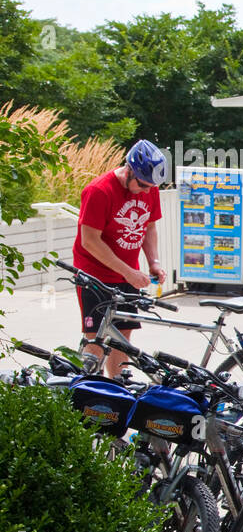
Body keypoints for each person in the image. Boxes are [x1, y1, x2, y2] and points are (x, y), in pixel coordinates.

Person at [72, 139, 168, 377]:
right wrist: (127, 271)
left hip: (128, 273)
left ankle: (118, 389)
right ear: (129, 171)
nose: (147, 191)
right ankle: (91, 392)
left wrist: (153, 262)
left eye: (151, 186)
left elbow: (149, 227)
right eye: (143, 184)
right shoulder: (99, 191)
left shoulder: (150, 189)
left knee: (123, 334)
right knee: (97, 337)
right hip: (95, 275)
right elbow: (90, 241)